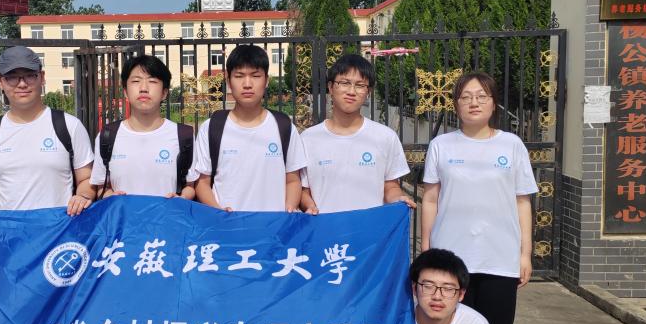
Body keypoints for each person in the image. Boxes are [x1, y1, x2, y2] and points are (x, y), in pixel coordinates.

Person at [420, 71, 538, 324]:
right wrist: (426, 250)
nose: (474, 102)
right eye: (466, 96)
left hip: (499, 259)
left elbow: (523, 201)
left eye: (481, 96)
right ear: (455, 104)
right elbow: (430, 199)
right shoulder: (442, 145)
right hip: (451, 262)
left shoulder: (511, 146)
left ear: (493, 103)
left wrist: (525, 253)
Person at [0, 45, 94, 227]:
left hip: (59, 234)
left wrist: (83, 196)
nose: (22, 84)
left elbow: (86, 179)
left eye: (30, 75)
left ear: (42, 77)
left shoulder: (69, 126)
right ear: (0, 82)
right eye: (12, 77)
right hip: (10, 236)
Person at [192, 44, 307, 212]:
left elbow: (293, 180)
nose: (247, 84)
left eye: (255, 76)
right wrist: (218, 212)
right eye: (239, 76)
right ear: (228, 81)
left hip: (274, 225)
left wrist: (287, 211)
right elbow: (202, 183)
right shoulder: (211, 128)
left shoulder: (284, 126)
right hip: (227, 224)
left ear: (266, 81)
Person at [300, 53, 413, 214]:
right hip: (325, 227)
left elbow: (390, 186)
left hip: (369, 227)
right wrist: (309, 206)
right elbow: (304, 191)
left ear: (368, 92)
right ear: (331, 87)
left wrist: (398, 199)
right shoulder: (308, 139)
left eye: (360, 85)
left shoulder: (385, 137)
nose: (351, 91)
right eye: (344, 83)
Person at [89, 54, 196, 199]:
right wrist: (111, 197)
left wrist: (181, 199)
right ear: (125, 92)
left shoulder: (183, 135)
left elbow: (190, 186)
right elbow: (102, 187)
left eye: (152, 81)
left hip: (167, 214)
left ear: (164, 93)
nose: (144, 88)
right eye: (136, 81)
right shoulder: (107, 136)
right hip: (123, 214)